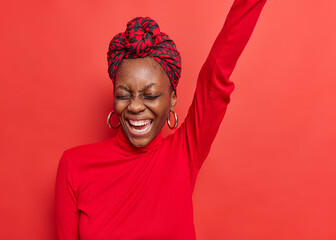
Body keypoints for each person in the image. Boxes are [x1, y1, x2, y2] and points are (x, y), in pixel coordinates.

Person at [55, 0, 267, 239]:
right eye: (124, 95)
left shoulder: (185, 152)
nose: (135, 106)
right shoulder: (74, 166)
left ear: (172, 100)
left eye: (151, 95)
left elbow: (216, 76)